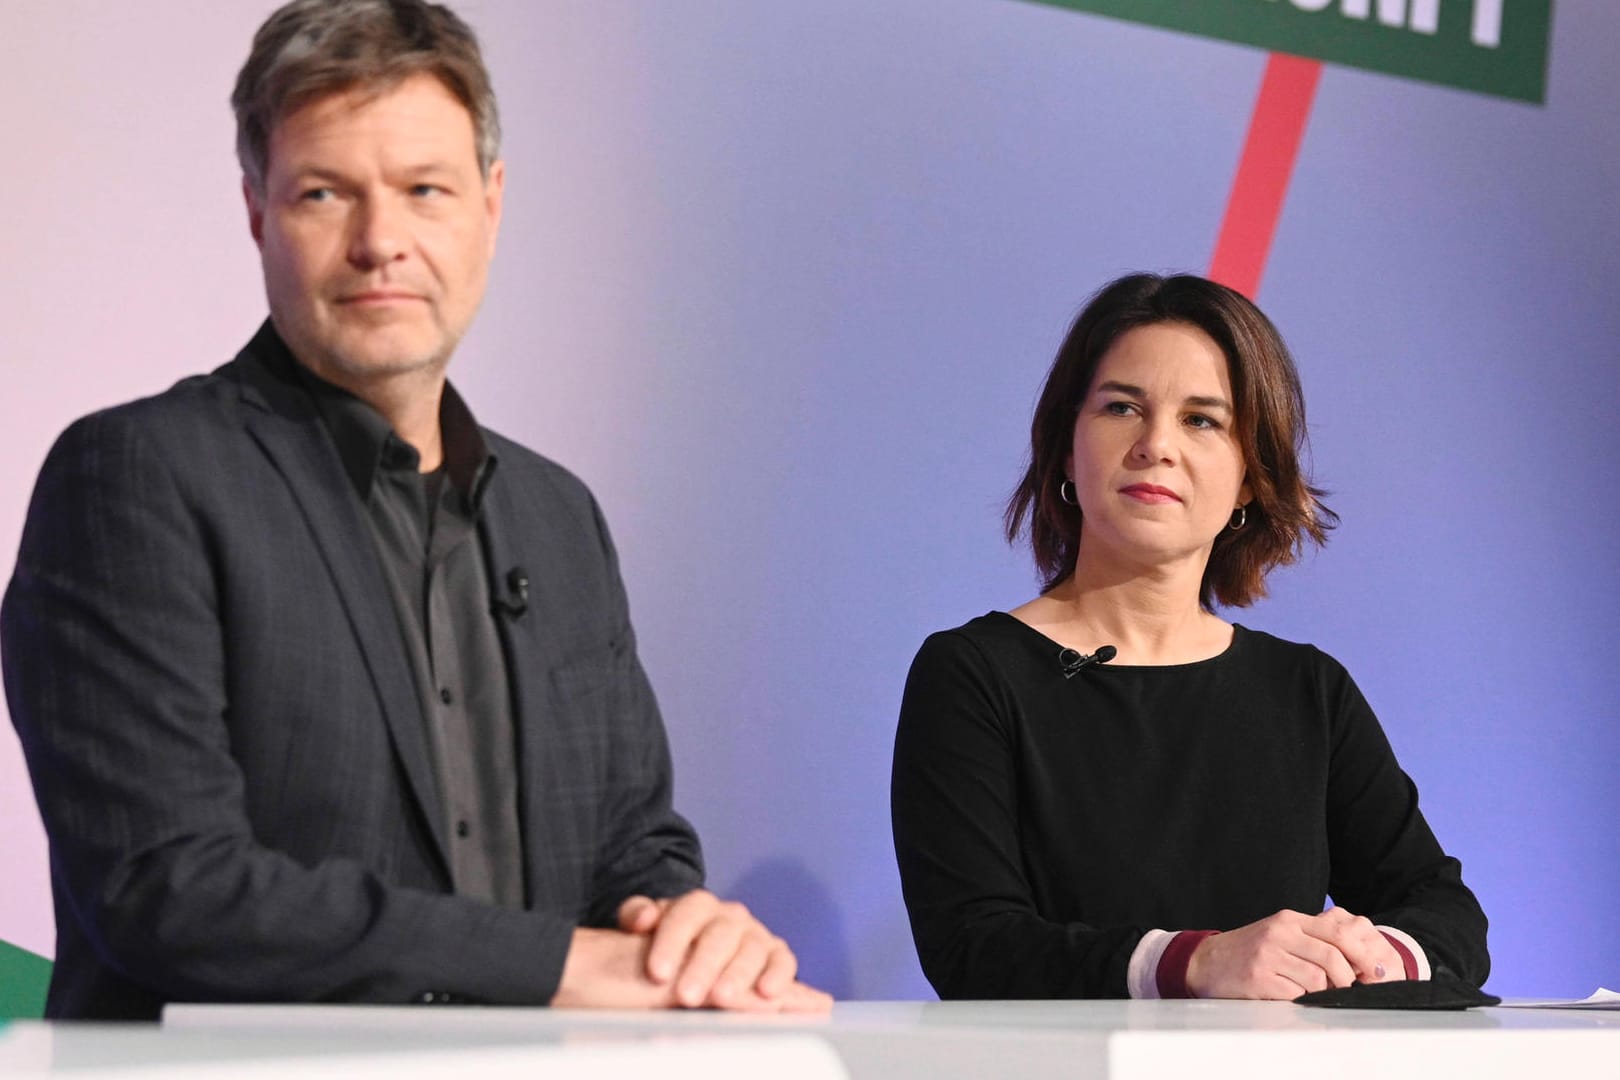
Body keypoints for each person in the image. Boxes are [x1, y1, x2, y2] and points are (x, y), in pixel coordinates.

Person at [1, 0, 828, 1021]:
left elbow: (632, 842)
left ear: (490, 203)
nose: (378, 240)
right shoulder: (136, 475)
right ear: (258, 210)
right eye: (324, 194)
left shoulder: (558, 517)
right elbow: (170, 889)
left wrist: (687, 928)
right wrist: (554, 966)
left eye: (423, 190)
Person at [890, 272, 1489, 1000]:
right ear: (1065, 447)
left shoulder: (1306, 691)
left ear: (1248, 478)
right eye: (1121, 408)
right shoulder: (974, 672)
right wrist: (1198, 962)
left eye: (1202, 420)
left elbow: (1448, 916)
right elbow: (973, 947)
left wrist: (1370, 953)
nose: (1156, 446)